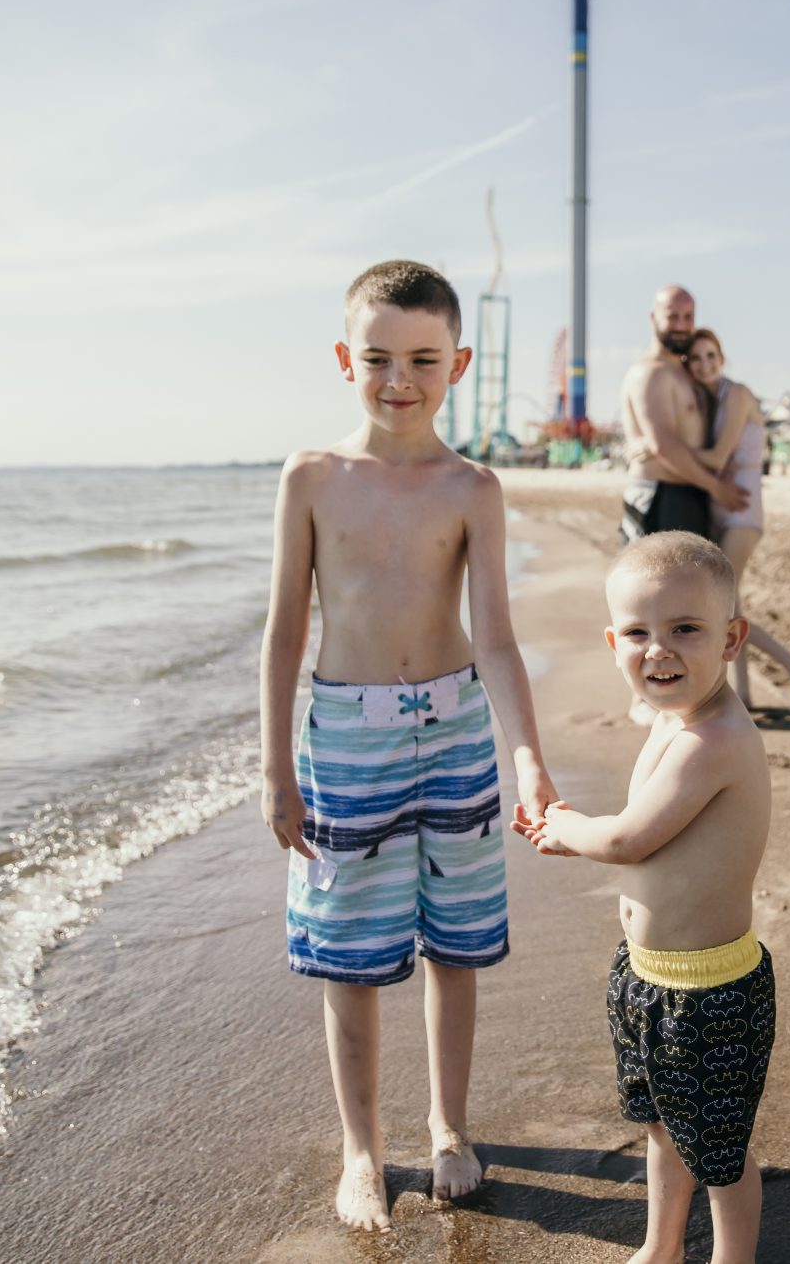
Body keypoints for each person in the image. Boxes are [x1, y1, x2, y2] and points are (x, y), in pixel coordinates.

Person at [260, 260, 559, 1231]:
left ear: (457, 363)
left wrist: (526, 755)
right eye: (379, 358)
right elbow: (282, 633)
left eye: (422, 359)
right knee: (349, 953)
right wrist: (274, 768)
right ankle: (360, 1150)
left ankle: (447, 1125)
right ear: (346, 357)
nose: (399, 379)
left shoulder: (472, 487)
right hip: (345, 739)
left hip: (456, 729)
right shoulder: (311, 477)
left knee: (455, 944)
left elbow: (499, 638)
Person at [511, 533, 775, 1264]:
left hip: (709, 991)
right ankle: (661, 1244)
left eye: (684, 629)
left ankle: (732, 1256)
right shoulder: (670, 718)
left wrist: (566, 827)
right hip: (647, 978)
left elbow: (629, 839)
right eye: (638, 633)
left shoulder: (713, 740)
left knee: (720, 1154)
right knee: (661, 1125)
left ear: (732, 637)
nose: (658, 650)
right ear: (612, 640)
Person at [682, 328, 790, 713]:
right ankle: (744, 695)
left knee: (724, 610)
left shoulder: (737, 394)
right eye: (696, 358)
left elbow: (718, 456)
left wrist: (660, 447)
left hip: (743, 508)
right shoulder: (707, 400)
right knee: (731, 608)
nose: (705, 364)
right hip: (719, 508)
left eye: (711, 356)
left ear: (722, 359)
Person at [621, 285, 749, 544]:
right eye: (672, 316)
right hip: (661, 497)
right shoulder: (650, 373)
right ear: (653, 317)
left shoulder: (685, 370)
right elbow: (664, 446)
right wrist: (717, 489)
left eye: (688, 317)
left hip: (691, 493)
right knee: (656, 582)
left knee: (694, 583)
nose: (681, 325)